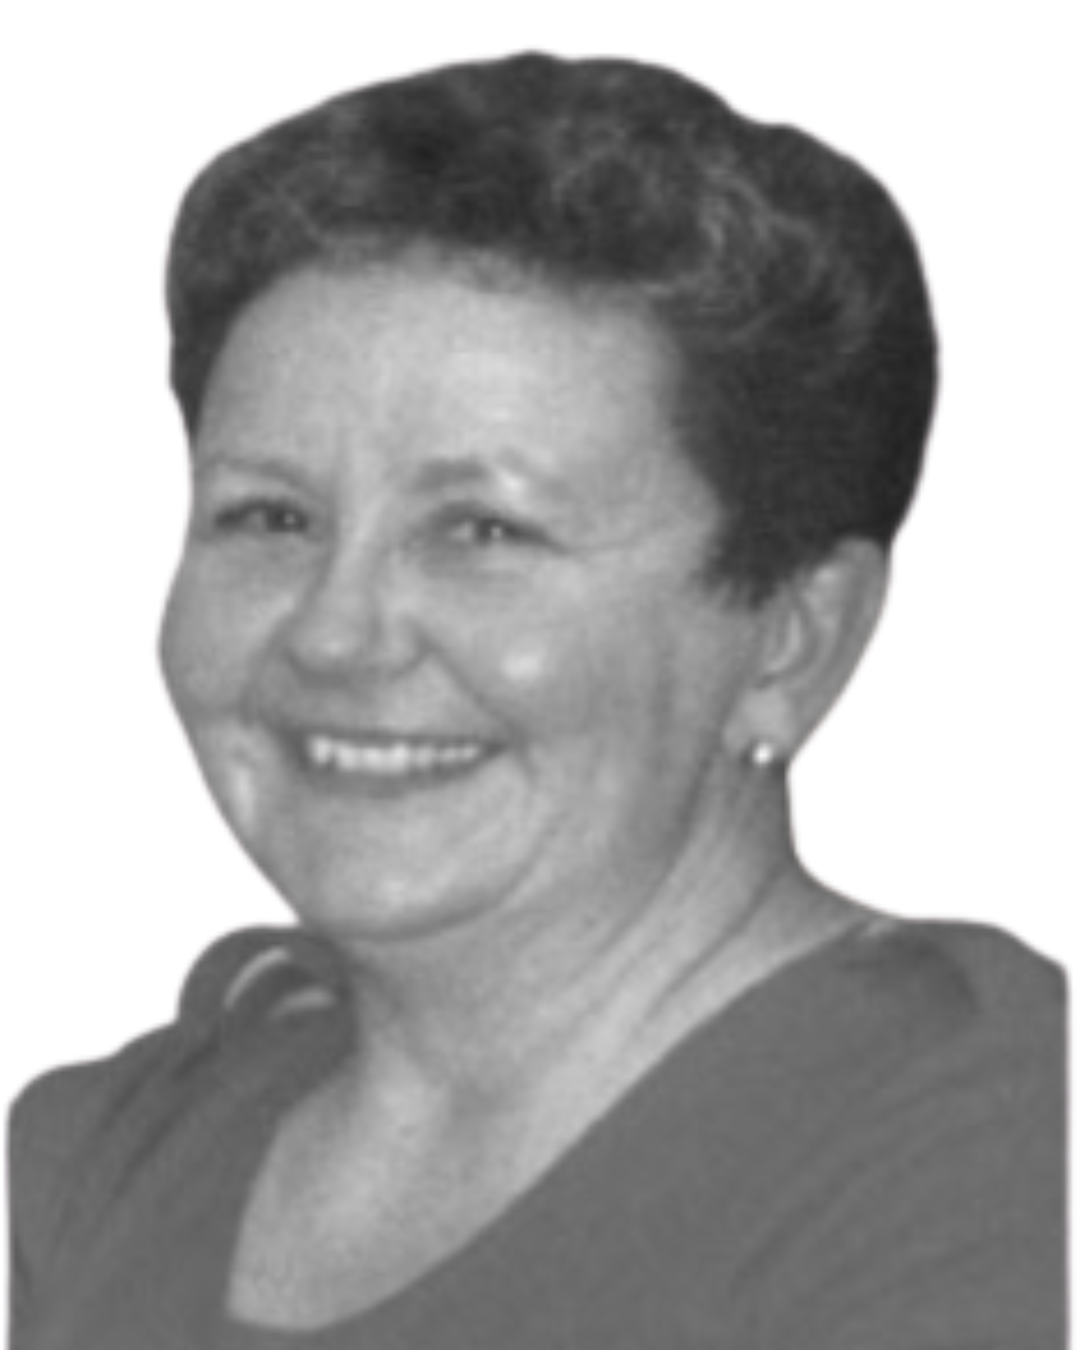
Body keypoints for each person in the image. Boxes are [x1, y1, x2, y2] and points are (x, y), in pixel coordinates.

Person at [7, 51, 1064, 1349]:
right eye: (269, 516)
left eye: (484, 531)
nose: (337, 631)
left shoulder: (990, 1161)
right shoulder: (97, 1164)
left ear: (790, 638)